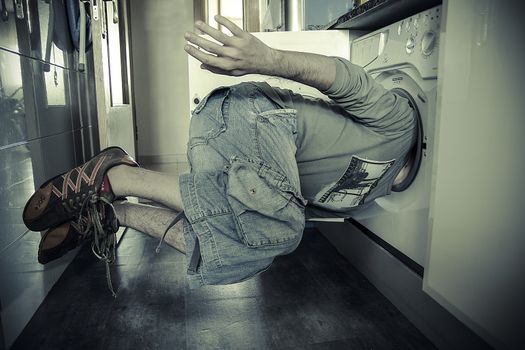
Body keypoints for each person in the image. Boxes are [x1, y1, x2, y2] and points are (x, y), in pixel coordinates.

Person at [22, 16, 416, 292]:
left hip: (233, 149)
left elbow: (259, 210)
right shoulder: (401, 124)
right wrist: (270, 60)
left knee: (235, 249)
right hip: (251, 115)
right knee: (279, 229)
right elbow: (348, 79)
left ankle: (112, 212)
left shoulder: (371, 199)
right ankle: (119, 176)